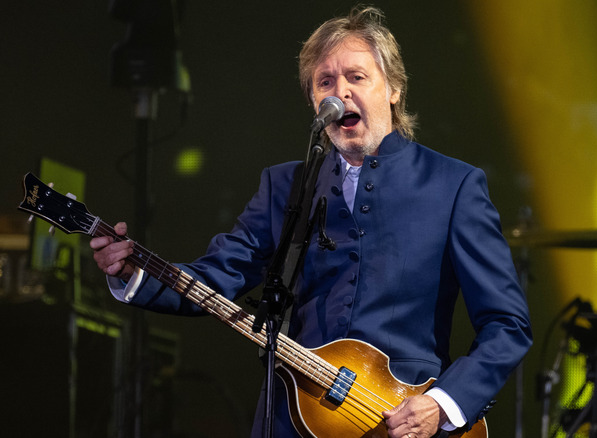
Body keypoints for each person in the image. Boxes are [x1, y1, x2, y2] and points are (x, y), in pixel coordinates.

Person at [91, 6, 532, 438]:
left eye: (356, 77)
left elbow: (506, 324)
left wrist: (441, 404)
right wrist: (135, 272)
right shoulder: (286, 186)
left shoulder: (453, 185)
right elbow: (217, 276)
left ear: (394, 88)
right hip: (293, 416)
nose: (340, 93)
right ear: (313, 101)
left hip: (402, 422)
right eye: (325, 82)